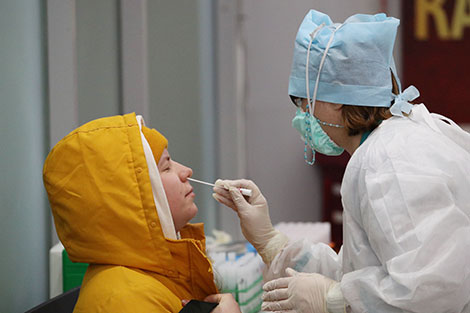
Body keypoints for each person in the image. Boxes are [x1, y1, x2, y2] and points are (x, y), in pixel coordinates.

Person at [212, 9, 470, 313]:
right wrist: (272, 242)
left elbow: (429, 290)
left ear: (336, 99)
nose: (302, 115)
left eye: (304, 101)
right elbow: (364, 269)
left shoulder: (389, 161)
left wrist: (335, 299)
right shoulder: (398, 138)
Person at [43, 113, 228, 312]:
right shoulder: (123, 301)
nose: (186, 171)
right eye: (166, 166)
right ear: (127, 197)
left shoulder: (156, 273)